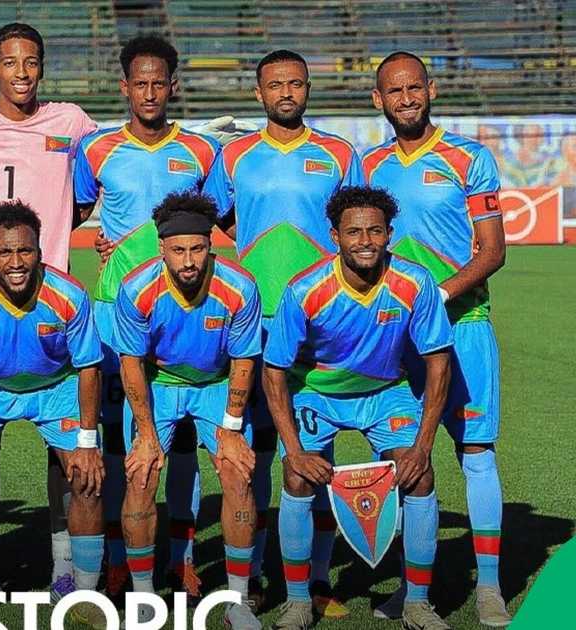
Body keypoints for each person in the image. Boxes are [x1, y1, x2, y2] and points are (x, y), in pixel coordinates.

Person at [0, 23, 99, 598]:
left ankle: (63, 566)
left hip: (52, 298)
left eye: (31, 62)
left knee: (68, 450)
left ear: (43, 67)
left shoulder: (72, 122)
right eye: (10, 62)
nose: (22, 73)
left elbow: (93, 184)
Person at [201, 49, 362, 614]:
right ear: (259, 93)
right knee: (259, 449)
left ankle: (318, 579)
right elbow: (215, 214)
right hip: (254, 319)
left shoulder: (340, 154)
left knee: (317, 442)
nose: (286, 93)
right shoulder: (236, 154)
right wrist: (252, 256)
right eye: (275, 85)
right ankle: (262, 573)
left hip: (324, 319)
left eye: (295, 83)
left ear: (308, 87)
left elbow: (358, 222)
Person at [364, 51, 510, 627]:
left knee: (476, 453)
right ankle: (413, 587)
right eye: (393, 91)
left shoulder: (469, 158)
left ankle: (491, 588)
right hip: (394, 341)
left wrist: (435, 298)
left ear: (431, 90)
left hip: (463, 327)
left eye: (414, 88)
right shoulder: (369, 166)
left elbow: (493, 251)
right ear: (378, 101)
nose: (405, 99)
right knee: (403, 460)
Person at [72, 34, 221, 602]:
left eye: (161, 82)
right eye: (141, 83)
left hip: (186, 308)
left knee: (180, 435)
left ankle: (182, 559)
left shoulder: (203, 152)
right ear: (125, 87)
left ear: (173, 86)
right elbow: (77, 211)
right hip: (116, 307)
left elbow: (224, 222)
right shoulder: (96, 149)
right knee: (117, 438)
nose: (151, 91)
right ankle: (116, 558)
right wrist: (101, 243)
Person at [264, 185, 453, 630]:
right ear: (335, 237)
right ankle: (297, 601)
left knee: (420, 474)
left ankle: (418, 603)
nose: (365, 241)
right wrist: (293, 449)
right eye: (354, 232)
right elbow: (274, 371)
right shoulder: (305, 289)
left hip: (385, 392)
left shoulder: (415, 283)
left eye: (374, 231)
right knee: (296, 475)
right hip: (316, 393)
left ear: (389, 233)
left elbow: (439, 363)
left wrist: (423, 445)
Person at [0, 201, 106, 623]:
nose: (15, 262)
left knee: (86, 476)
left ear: (40, 251)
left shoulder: (68, 295)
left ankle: (81, 590)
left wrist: (87, 443)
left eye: (24, 251)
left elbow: (88, 368)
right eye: (4, 253)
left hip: (55, 387)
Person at [110, 191, 262, 629]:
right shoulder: (137, 289)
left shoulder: (239, 287)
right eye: (178, 250)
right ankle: (143, 600)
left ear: (211, 246)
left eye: (197, 248)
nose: (189, 260)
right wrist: (146, 434)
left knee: (237, 473)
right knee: (141, 473)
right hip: (158, 385)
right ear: (162, 249)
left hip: (215, 384)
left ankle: (238, 599)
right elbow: (131, 364)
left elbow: (244, 361)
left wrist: (232, 429)